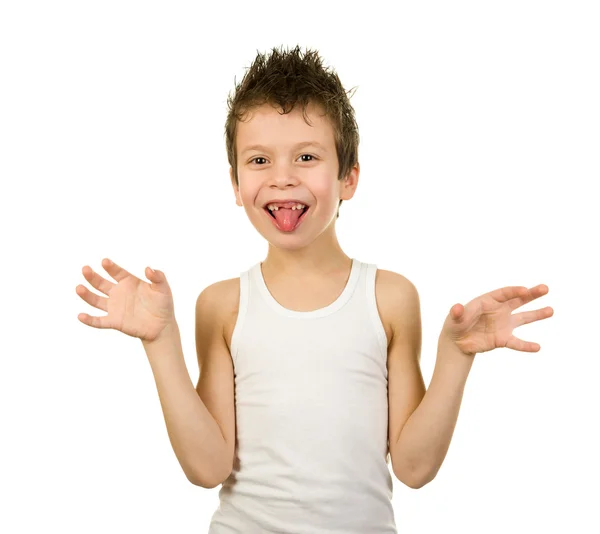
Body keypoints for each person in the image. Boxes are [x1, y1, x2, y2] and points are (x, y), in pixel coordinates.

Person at [75, 44, 554, 533]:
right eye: (259, 160)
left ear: (348, 178)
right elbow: (207, 468)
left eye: (306, 156)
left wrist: (455, 356)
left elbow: (414, 467)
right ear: (236, 185)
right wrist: (161, 343)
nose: (282, 177)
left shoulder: (389, 298)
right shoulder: (221, 305)